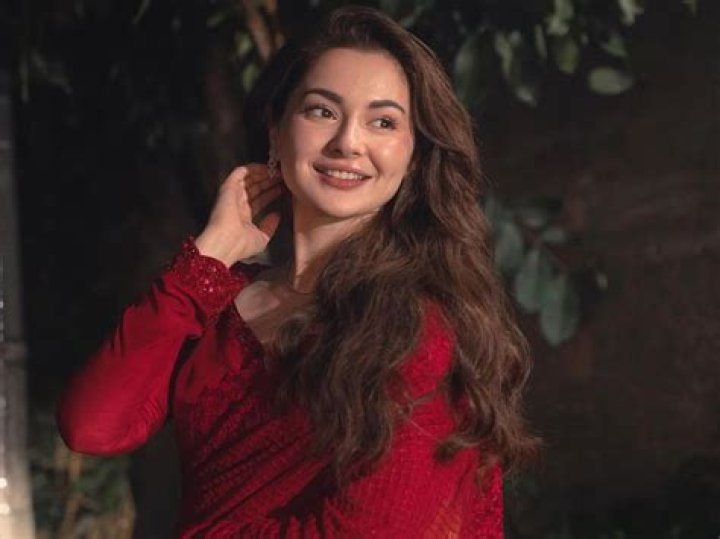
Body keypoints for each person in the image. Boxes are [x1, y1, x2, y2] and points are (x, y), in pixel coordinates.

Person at [56, 6, 538, 537]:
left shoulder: (418, 329)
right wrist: (206, 260)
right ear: (276, 129)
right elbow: (91, 426)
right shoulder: (219, 300)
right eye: (322, 111)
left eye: (383, 122)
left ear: (415, 156)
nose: (348, 142)